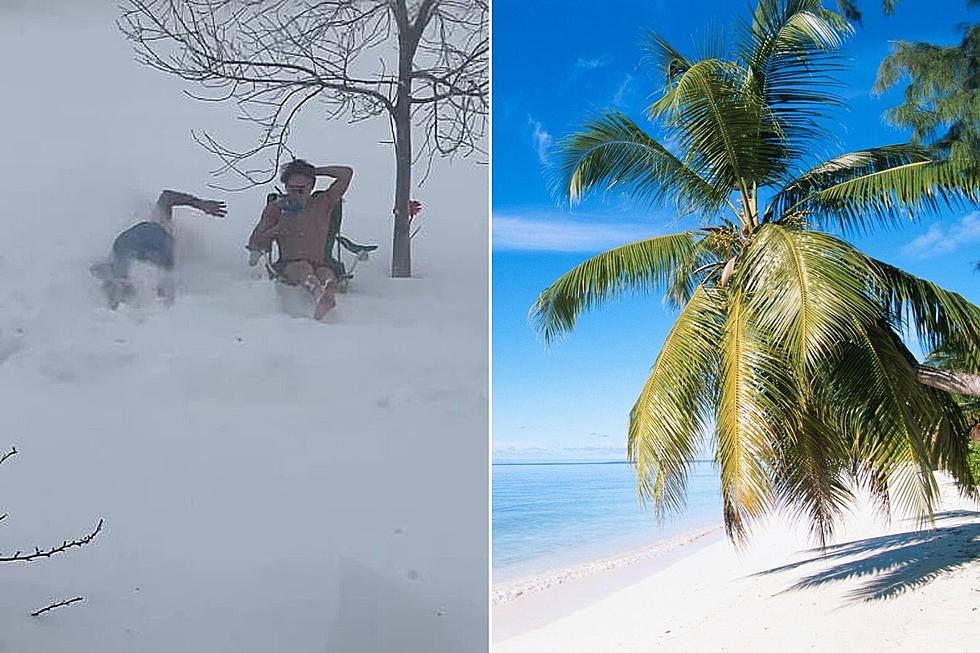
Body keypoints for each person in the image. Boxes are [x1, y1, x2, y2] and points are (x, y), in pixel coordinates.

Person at [246, 159, 354, 320]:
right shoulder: (277, 208)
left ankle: (328, 293)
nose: (296, 194)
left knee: (326, 273)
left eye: (301, 189)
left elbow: (346, 173)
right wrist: (274, 231)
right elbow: (255, 241)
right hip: (289, 264)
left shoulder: (323, 202)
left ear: (311, 187)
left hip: (321, 262)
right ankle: (319, 295)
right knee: (303, 268)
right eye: (292, 189)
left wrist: (313, 171)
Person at [92, 190, 226, 309]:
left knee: (124, 270)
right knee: (149, 277)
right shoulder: (162, 234)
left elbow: (167, 197)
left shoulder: (156, 232)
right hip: (140, 247)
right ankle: (119, 295)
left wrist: (200, 204)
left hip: (125, 246)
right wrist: (201, 204)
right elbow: (167, 196)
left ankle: (115, 293)